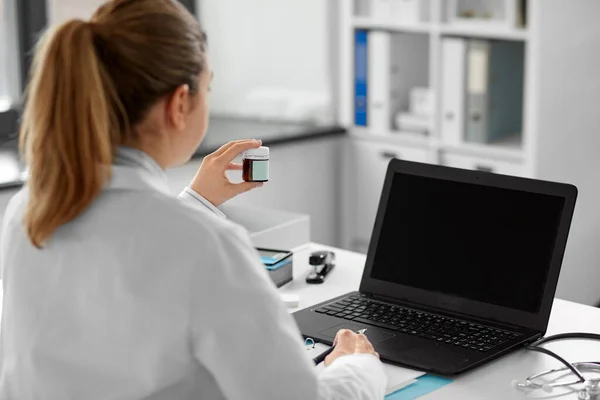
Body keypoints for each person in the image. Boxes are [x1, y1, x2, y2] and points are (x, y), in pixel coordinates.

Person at [0, 1, 387, 399]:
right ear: (180, 103)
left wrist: (197, 202)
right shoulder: (204, 244)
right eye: (209, 87)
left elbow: (127, 272)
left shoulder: (28, 211)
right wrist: (359, 367)